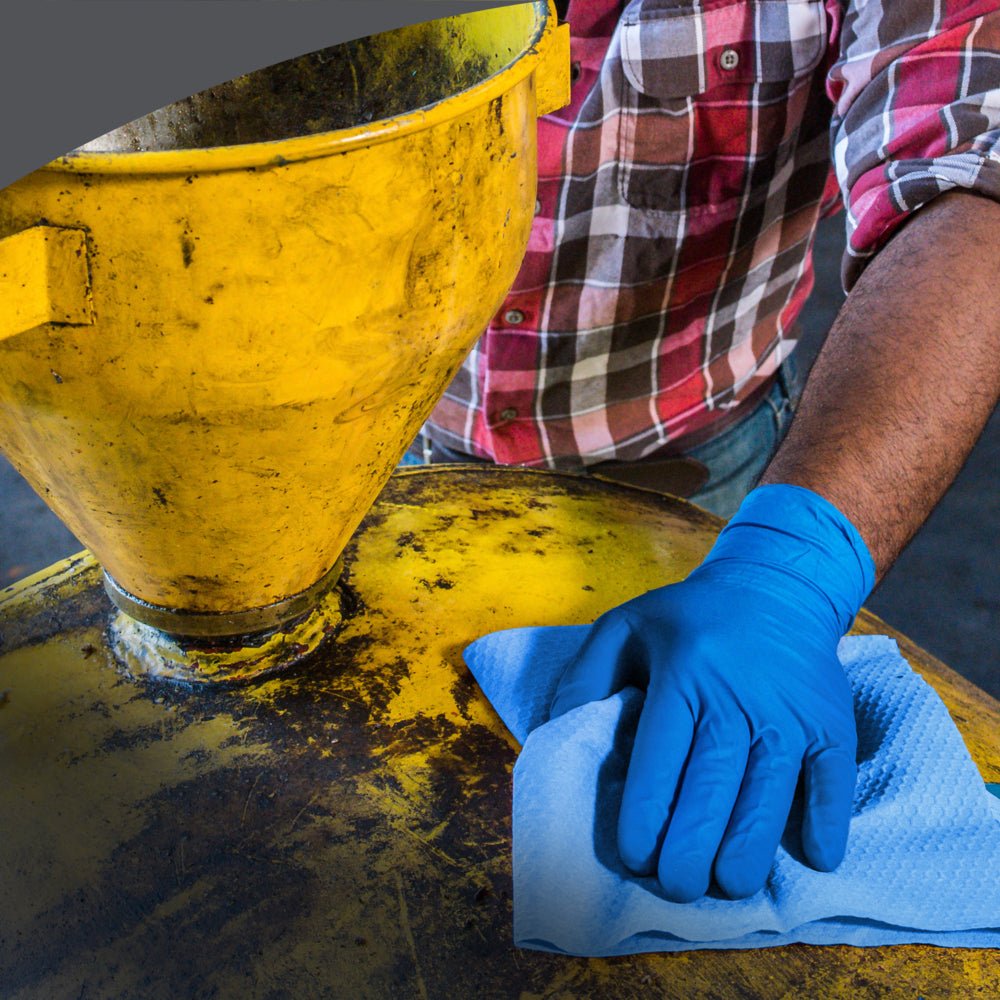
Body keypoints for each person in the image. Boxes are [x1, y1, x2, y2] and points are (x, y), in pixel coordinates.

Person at [405, 0, 1000, 902]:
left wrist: (788, 574)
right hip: (367, 440)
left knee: (702, 777)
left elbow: (972, 165)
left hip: (694, 465)